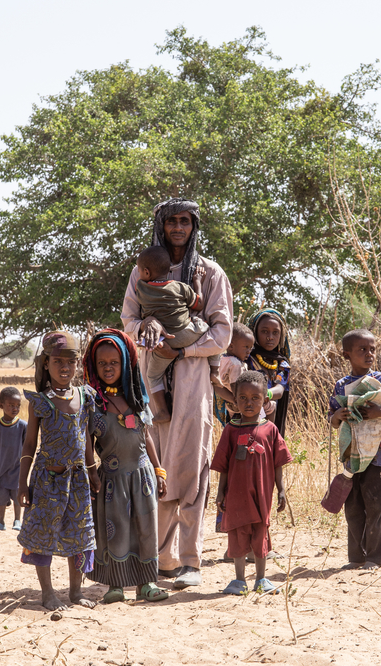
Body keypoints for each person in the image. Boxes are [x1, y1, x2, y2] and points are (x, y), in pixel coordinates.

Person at [121, 198, 233, 590]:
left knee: (192, 468)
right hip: (150, 383)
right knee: (156, 467)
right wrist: (148, 325)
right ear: (161, 226)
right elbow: (128, 321)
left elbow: (222, 333)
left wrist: (182, 349)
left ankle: (190, 561)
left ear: (194, 226)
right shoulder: (141, 272)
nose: (179, 228)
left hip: (192, 382)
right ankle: (158, 559)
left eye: (185, 221)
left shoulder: (210, 273)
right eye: (172, 222)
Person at [83, 328, 169, 603]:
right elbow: (86, 440)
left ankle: (146, 583)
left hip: (142, 475)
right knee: (115, 529)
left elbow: (146, 436)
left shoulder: (136, 399)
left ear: (125, 364)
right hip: (111, 478)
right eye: (102, 363)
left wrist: (159, 470)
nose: (108, 368)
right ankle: (115, 585)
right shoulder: (93, 403)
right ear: (94, 366)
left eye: (114, 363)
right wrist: (91, 471)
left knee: (145, 528)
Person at [17, 331, 101, 610]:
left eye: (70, 362)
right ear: (46, 363)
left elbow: (86, 437)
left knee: (79, 534)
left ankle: (76, 592)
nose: (64, 367)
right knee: (43, 536)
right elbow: (30, 443)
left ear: (78, 364)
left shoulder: (85, 396)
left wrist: (92, 471)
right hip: (47, 481)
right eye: (57, 362)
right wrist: (22, 483)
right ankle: (47, 593)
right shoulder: (40, 401)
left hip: (78, 480)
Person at [328, 329, 381, 570]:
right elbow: (332, 422)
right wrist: (337, 415)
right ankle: (356, 558)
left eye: (372, 349)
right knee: (353, 507)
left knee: (376, 508)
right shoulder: (342, 385)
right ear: (347, 354)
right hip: (352, 455)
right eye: (362, 349)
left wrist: (380, 412)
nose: (369, 354)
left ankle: (375, 558)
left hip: (379, 456)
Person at [212, 371, 292, 595]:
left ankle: (261, 579)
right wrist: (220, 493)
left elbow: (278, 463)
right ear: (235, 401)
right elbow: (224, 465)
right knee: (237, 534)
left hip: (262, 494)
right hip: (236, 495)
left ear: (265, 401)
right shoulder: (230, 430)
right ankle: (239, 580)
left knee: (260, 533)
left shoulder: (270, 430)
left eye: (255, 398)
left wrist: (281, 490)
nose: (249, 403)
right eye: (243, 398)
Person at [134, 245, 214, 422]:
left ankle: (162, 411)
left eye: (139, 271)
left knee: (152, 376)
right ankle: (215, 368)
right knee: (210, 331)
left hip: (164, 341)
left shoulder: (141, 288)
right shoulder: (179, 287)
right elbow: (198, 304)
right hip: (186, 334)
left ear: (146, 273)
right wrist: (198, 282)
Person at [0, 387, 26, 531]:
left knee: (17, 496)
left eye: (18, 405)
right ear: (1, 405)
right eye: (11, 405)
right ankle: (0, 522)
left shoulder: (23, 426)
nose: (15, 408)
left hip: (17, 469)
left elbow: (27, 445)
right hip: (1, 469)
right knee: (1, 498)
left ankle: (17, 521)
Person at [246, 308, 292, 437]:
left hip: (270, 424)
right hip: (245, 421)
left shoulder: (282, 365)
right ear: (254, 332)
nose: (270, 337)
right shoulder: (246, 359)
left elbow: (280, 390)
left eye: (275, 332)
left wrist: (264, 395)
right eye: (264, 331)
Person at [212, 322, 270, 424]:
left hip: (227, 402)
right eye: (246, 347)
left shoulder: (222, 359)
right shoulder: (236, 364)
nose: (249, 351)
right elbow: (236, 385)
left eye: (250, 347)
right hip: (237, 404)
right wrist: (240, 400)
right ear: (230, 346)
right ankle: (267, 431)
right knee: (271, 407)